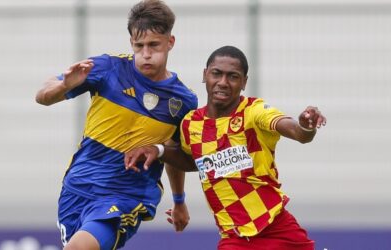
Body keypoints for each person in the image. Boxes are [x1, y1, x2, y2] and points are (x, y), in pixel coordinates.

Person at [125, 45, 327, 250]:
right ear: (205, 75)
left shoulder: (253, 112)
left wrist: (305, 126)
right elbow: (191, 160)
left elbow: (297, 132)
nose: (222, 82)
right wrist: (160, 153)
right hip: (234, 236)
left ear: (244, 82)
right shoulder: (190, 123)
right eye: (216, 74)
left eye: (232, 76)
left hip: (277, 228)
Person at [35, 0, 198, 249]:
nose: (146, 53)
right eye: (139, 45)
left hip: (126, 195)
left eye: (154, 45)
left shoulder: (183, 101)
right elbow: (42, 96)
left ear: (170, 42)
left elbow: (173, 153)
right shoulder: (107, 68)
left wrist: (179, 200)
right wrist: (64, 86)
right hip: (77, 188)